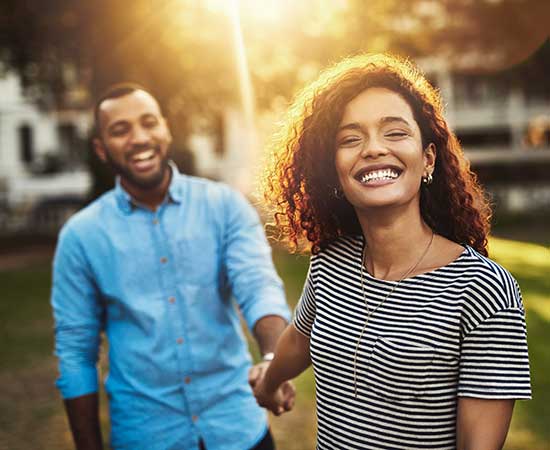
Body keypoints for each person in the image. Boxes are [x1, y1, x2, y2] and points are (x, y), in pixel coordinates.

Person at [253, 54, 531, 449]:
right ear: (334, 171)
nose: (372, 149)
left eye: (395, 132)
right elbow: (299, 340)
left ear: (428, 159)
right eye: (351, 139)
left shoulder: (483, 291)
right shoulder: (329, 262)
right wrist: (268, 382)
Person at [51, 83, 294, 450]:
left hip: (238, 431)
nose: (139, 138)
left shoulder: (224, 206)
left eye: (148, 123)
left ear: (165, 129)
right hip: (145, 435)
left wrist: (274, 359)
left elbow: (258, 287)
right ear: (101, 149)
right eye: (120, 130)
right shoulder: (81, 237)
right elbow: (75, 354)